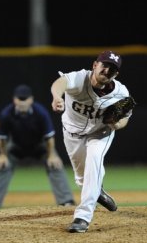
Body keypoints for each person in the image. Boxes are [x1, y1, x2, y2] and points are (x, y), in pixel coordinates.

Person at [51, 50, 134, 233]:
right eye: (104, 66)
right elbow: (60, 83)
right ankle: (98, 192)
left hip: (100, 133)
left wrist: (117, 124)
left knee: (94, 162)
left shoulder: (121, 92)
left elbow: (125, 117)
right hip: (72, 133)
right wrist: (57, 97)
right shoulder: (79, 78)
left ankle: (82, 217)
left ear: (116, 74)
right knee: (82, 178)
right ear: (95, 65)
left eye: (112, 69)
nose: (107, 71)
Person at [0, 84, 75, 210]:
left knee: (55, 164)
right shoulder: (7, 113)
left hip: (40, 145)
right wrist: (2, 155)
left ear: (31, 99)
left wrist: (51, 155)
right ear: (14, 100)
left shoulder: (40, 112)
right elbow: (1, 138)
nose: (22, 102)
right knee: (2, 164)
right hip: (16, 146)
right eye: (20, 99)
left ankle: (66, 201)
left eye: (25, 99)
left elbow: (49, 137)